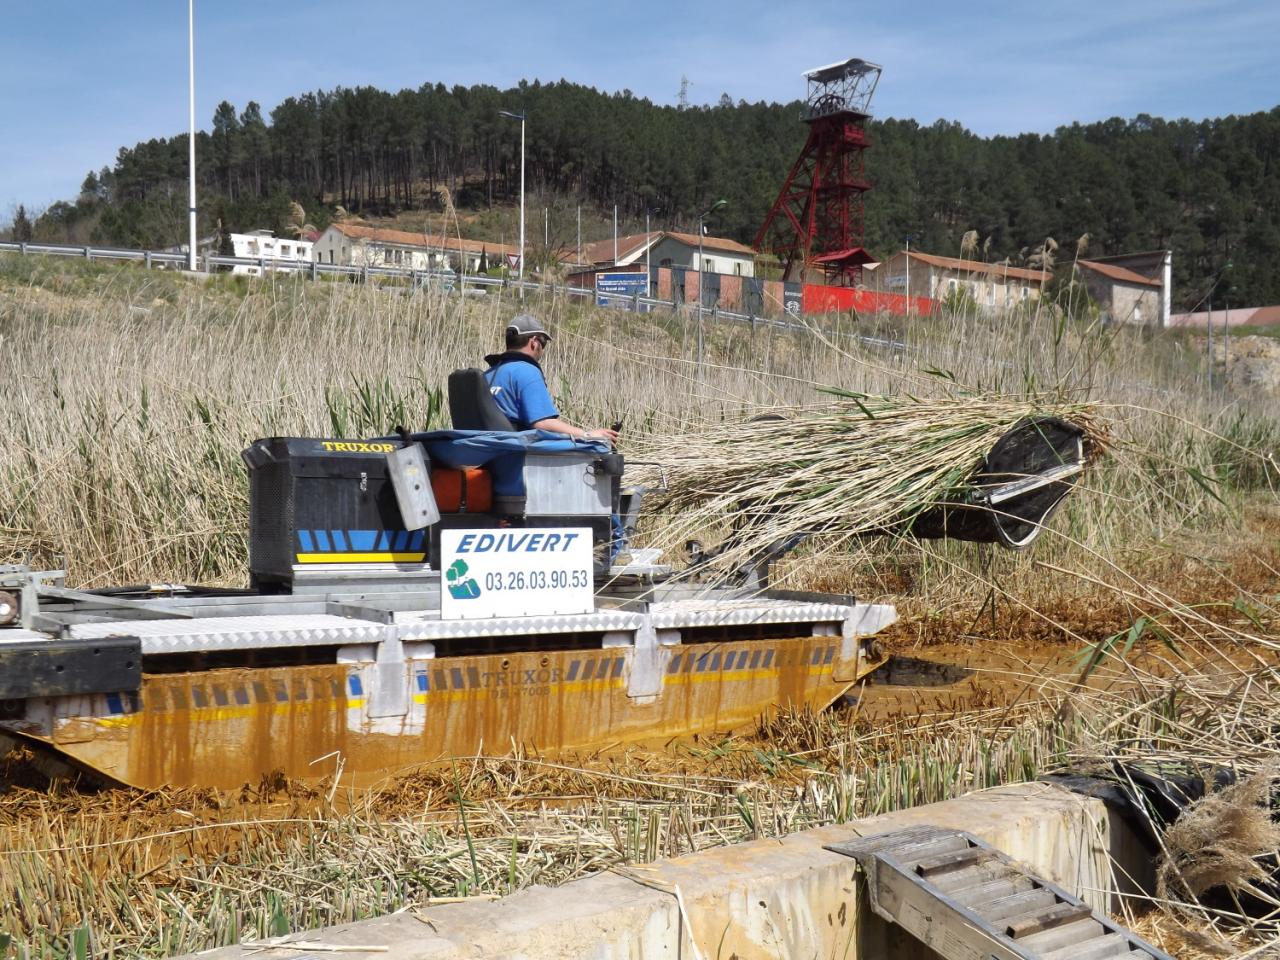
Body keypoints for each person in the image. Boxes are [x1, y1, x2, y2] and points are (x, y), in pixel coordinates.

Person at [484, 314, 619, 443]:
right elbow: (543, 423)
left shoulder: (489, 374)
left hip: (487, 450)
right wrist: (588, 435)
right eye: (543, 344)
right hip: (513, 454)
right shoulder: (527, 372)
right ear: (534, 342)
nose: (542, 350)